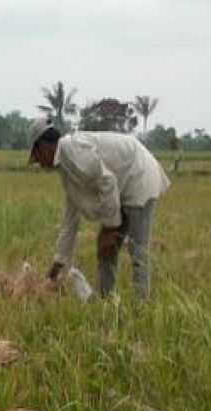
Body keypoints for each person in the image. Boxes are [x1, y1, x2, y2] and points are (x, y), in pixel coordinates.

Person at [28, 118, 170, 301]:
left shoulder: (74, 150)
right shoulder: (66, 167)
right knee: (105, 248)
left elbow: (107, 181)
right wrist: (58, 263)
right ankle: (106, 301)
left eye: (36, 155)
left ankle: (142, 307)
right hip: (121, 187)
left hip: (138, 175)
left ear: (44, 146)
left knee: (138, 251)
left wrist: (110, 230)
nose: (38, 162)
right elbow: (70, 219)